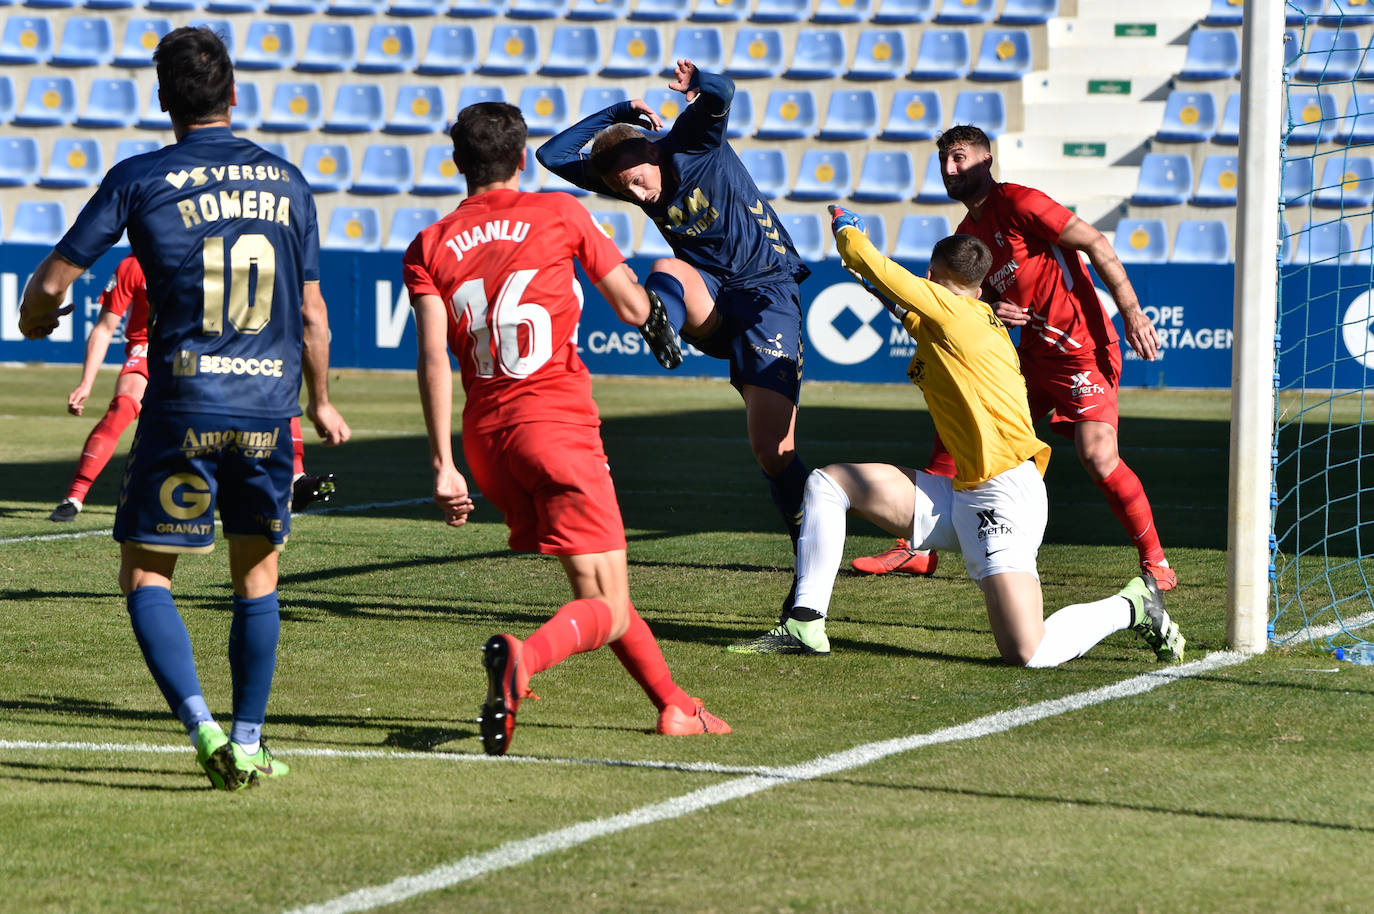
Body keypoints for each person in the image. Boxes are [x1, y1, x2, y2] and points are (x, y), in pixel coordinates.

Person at [18, 26, 350, 789]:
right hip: (268, 410)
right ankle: (251, 738)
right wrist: (321, 400)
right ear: (234, 95)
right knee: (256, 579)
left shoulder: (139, 177)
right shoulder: (291, 181)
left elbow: (53, 282)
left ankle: (202, 730)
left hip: (183, 405)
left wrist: (38, 320)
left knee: (146, 578)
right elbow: (315, 319)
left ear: (163, 101)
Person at [403, 101, 730, 757]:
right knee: (606, 605)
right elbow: (635, 304)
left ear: (460, 164)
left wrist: (444, 464)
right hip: (554, 424)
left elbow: (433, 356)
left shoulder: (430, 243)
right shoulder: (559, 213)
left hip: (487, 441)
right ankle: (521, 662)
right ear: (522, 159)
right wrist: (666, 308)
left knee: (599, 589)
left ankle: (675, 704)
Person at [729, 207, 1185, 668]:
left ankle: (1132, 607)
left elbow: (869, 260)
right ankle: (804, 623)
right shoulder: (964, 317)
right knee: (828, 483)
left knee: (1028, 651)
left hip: (1004, 497)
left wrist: (846, 226)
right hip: (961, 494)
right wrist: (874, 283)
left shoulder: (954, 316)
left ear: (933, 276)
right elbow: (902, 304)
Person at [852, 125, 1176, 592]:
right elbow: (981, 300)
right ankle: (918, 549)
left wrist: (1131, 312)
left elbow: (1095, 243)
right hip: (1031, 357)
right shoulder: (967, 234)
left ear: (986, 160)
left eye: (959, 158)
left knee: (1098, 457)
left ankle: (1155, 561)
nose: (950, 169)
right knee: (960, 422)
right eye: (944, 160)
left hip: (1082, 350)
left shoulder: (1021, 202)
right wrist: (997, 308)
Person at [536, 59, 813, 602]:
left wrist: (700, 83)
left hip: (767, 294)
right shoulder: (628, 172)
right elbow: (552, 157)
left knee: (772, 451)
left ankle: (808, 549)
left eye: (637, 181)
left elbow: (723, 93)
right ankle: (656, 319)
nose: (637, 196)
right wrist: (616, 111)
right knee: (664, 270)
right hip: (709, 296)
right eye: (622, 188)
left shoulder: (691, 141)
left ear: (653, 151)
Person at [50, 256, 339, 522]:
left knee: (270, 384)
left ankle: (295, 480)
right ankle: (75, 496)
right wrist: (87, 382)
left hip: (203, 351)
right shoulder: (133, 265)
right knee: (123, 406)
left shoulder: (206, 253)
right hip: (149, 348)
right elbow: (104, 327)